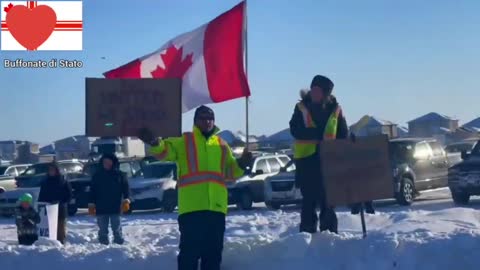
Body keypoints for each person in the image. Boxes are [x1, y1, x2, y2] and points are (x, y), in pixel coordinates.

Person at [138, 105, 253, 270]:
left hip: (216, 208)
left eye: (210, 119)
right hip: (191, 209)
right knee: (189, 254)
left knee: (213, 255)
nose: (207, 122)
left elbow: (230, 173)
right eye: (203, 118)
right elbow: (164, 151)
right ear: (195, 121)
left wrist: (242, 163)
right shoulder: (184, 140)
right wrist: (154, 142)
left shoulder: (222, 145)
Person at [289, 75, 349, 234]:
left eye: (318, 90)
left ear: (325, 93)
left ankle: (329, 236)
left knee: (328, 201)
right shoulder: (301, 107)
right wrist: (314, 134)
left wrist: (347, 143)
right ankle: (306, 235)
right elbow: (295, 129)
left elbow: (343, 133)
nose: (314, 93)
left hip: (329, 161)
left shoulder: (335, 109)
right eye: (313, 89)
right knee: (308, 202)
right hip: (307, 162)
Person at [88, 153, 131, 245]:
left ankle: (118, 242)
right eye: (104, 162)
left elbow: (126, 189)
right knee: (102, 228)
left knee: (116, 227)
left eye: (108, 162)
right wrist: (91, 204)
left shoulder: (120, 175)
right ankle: (103, 243)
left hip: (116, 206)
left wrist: (126, 200)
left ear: (113, 163)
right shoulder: (97, 175)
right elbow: (92, 191)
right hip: (101, 206)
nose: (106, 164)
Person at [38, 162, 73, 244]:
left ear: (57, 171)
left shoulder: (63, 181)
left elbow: (69, 195)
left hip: (61, 209)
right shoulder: (45, 182)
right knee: (51, 231)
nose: (51, 171)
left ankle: (61, 245)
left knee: (61, 231)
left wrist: (61, 202)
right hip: (49, 210)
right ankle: (52, 246)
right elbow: (42, 196)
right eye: (50, 170)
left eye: (53, 170)